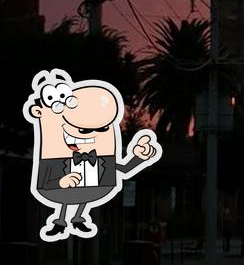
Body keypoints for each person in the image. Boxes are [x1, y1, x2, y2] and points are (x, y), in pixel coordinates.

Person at [22, 69, 162, 241]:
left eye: (102, 128)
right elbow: (46, 182)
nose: (90, 135)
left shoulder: (102, 159)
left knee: (83, 195)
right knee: (68, 197)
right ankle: (60, 222)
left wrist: (139, 157)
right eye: (83, 130)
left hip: (90, 189)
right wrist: (61, 181)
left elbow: (124, 169)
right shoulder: (55, 157)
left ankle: (78, 218)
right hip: (63, 190)